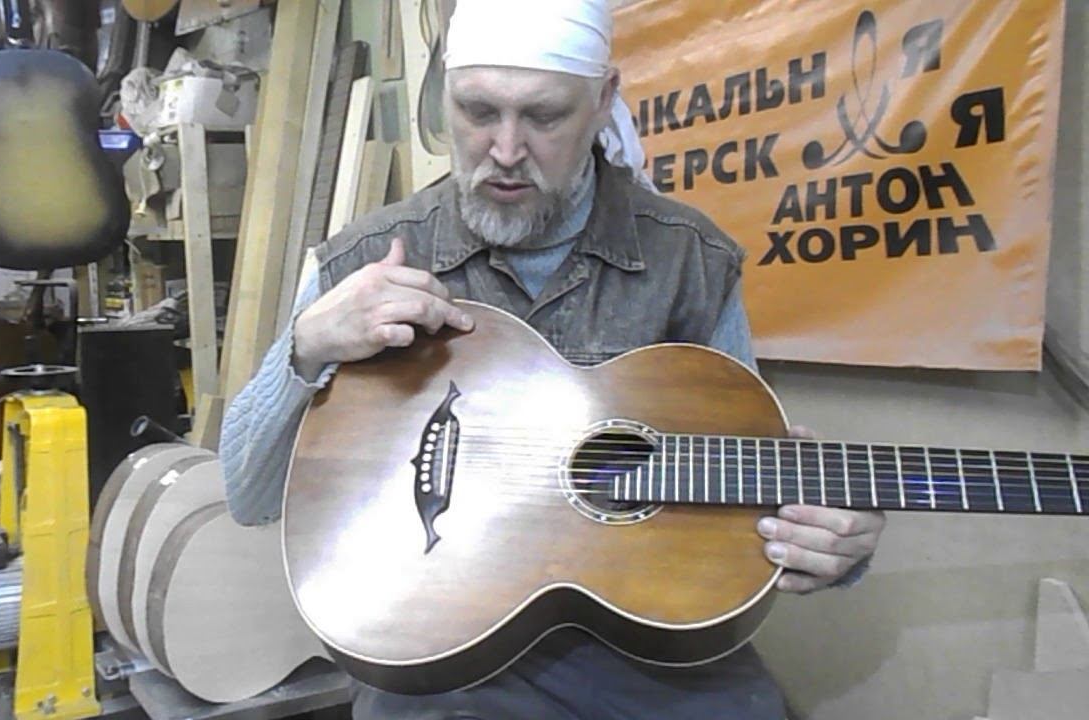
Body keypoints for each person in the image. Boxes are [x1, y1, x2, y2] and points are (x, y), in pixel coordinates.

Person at [220, 1, 886, 717]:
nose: (506, 149)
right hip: (438, 643)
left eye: (544, 117)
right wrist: (306, 347)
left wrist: (828, 542)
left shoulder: (689, 261)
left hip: (638, 640)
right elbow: (249, 496)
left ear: (602, 101)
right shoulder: (364, 261)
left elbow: (747, 489)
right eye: (478, 111)